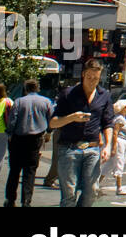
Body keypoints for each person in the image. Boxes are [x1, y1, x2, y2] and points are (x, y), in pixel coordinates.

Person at [49, 59, 116, 207]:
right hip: (69, 148)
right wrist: (72, 117)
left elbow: (108, 123)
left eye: (96, 79)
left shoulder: (104, 95)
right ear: (83, 75)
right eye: (89, 77)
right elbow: (53, 122)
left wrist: (107, 146)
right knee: (69, 194)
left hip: (92, 149)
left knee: (92, 191)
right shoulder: (68, 93)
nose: (92, 81)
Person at [3, 79, 54, 207]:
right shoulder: (46, 102)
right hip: (35, 139)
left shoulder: (19, 101)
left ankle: (10, 199)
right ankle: (26, 201)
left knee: (14, 171)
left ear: (25, 88)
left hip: (18, 138)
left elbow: (12, 120)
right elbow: (51, 119)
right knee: (30, 171)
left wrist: (9, 133)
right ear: (38, 88)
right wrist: (48, 132)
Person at [105, 100, 126, 196]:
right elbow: (115, 133)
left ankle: (95, 184)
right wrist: (113, 147)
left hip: (122, 142)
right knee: (119, 163)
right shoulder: (119, 119)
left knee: (108, 165)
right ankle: (119, 187)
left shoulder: (121, 118)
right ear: (121, 108)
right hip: (120, 143)